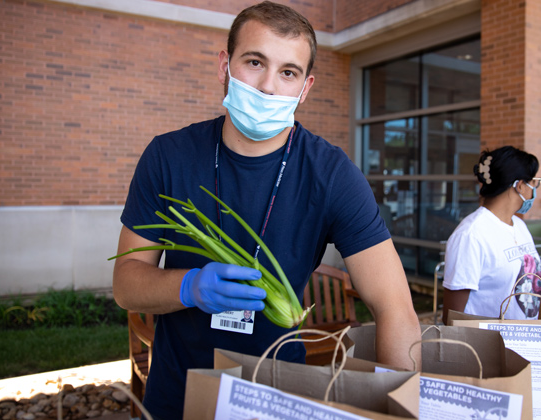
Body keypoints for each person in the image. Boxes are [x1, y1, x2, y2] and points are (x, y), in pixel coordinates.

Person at [111, 2, 421, 418]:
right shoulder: (168, 156)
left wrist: (403, 409)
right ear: (225, 65)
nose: (268, 87)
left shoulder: (332, 175)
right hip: (178, 394)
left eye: (288, 72)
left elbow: (395, 306)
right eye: (254, 62)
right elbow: (126, 285)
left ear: (305, 88)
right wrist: (190, 286)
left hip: (278, 397)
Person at [442, 146, 541, 325]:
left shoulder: (519, 226)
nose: (535, 190)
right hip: (490, 348)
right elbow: (452, 316)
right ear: (520, 186)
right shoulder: (471, 235)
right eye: (534, 183)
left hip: (525, 343)